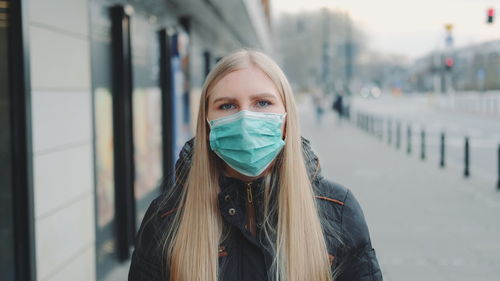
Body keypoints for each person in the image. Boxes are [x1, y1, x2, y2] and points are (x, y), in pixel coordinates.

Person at [128, 49, 382, 281]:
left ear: (286, 117)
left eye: (262, 103)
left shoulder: (337, 211)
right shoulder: (167, 218)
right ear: (206, 123)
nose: (245, 119)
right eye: (227, 105)